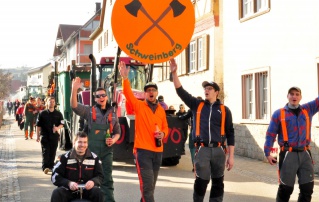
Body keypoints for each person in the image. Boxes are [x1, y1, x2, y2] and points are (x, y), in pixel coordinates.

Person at [264, 71, 319, 202]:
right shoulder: (279, 114)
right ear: (287, 96)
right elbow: (270, 134)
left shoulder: (308, 109)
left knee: (307, 188)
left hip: (305, 154)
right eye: (292, 94)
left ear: (300, 97)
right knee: (286, 189)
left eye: (297, 94)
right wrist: (267, 153)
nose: (294, 96)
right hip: (288, 154)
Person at [169, 58, 235, 202]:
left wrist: (231, 156)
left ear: (216, 92)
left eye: (209, 88)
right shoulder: (197, 104)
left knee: (218, 183)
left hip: (219, 150)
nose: (206, 90)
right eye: (205, 88)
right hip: (202, 150)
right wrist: (174, 73)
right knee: (201, 182)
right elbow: (181, 92)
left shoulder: (224, 110)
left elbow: (230, 133)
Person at [118, 61, 169, 202]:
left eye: (153, 90)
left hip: (158, 152)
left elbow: (165, 127)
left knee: (150, 187)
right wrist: (125, 78)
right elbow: (128, 94)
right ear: (145, 94)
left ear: (157, 93)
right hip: (143, 151)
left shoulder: (161, 110)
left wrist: (163, 134)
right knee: (146, 187)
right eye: (148, 91)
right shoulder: (139, 106)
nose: (151, 92)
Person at [71, 77, 121, 202]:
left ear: (107, 97)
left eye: (103, 95)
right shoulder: (89, 111)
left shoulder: (113, 113)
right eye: (98, 96)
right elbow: (74, 106)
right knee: (90, 179)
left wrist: (113, 140)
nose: (101, 98)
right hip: (91, 153)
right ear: (95, 99)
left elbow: (117, 132)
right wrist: (74, 90)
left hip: (107, 152)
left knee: (107, 179)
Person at [51, 131, 104, 202]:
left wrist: (93, 182)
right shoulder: (64, 158)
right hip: (69, 191)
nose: (82, 145)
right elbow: (55, 176)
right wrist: (68, 183)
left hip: (87, 190)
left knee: (99, 193)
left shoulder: (94, 158)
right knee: (57, 193)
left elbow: (100, 176)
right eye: (79, 142)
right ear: (74, 143)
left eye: (85, 142)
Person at [36, 96, 64, 174]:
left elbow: (62, 123)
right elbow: (38, 126)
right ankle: (45, 167)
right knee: (46, 152)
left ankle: (51, 166)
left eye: (53, 102)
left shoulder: (58, 114)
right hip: (44, 136)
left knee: (53, 152)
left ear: (55, 103)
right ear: (46, 103)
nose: (51, 103)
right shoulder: (42, 113)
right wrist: (37, 136)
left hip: (54, 136)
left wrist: (57, 128)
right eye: (50, 101)